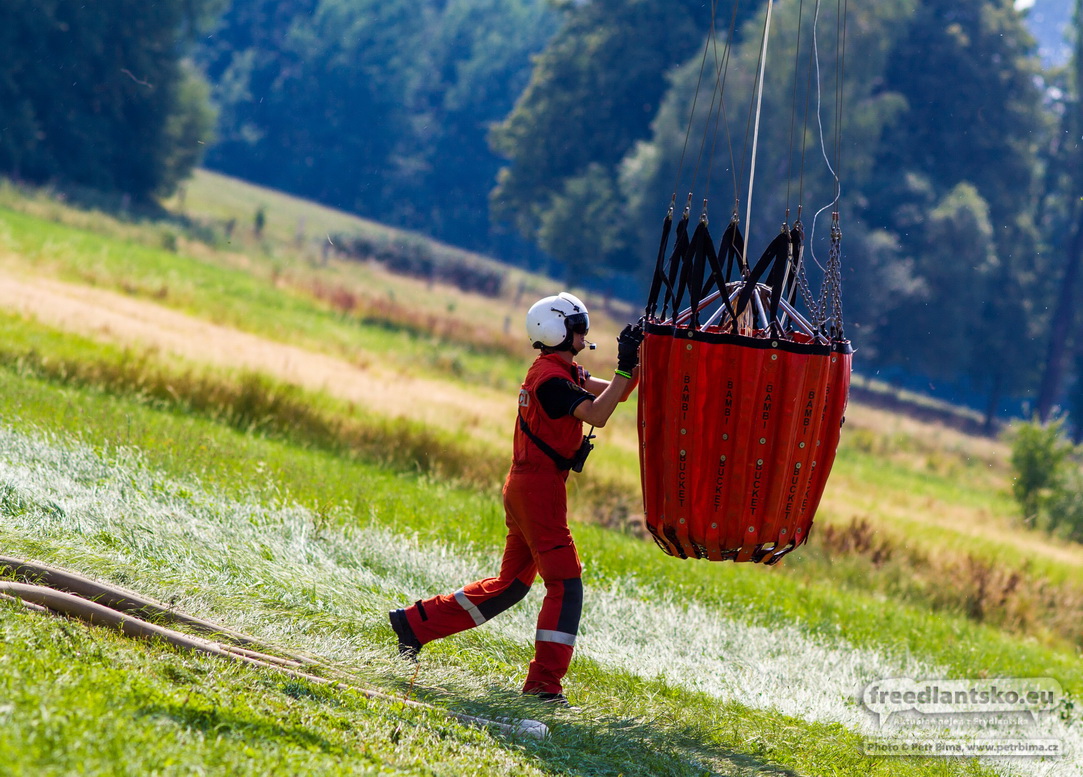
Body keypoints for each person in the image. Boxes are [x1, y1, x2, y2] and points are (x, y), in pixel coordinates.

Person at [388, 291, 643, 706]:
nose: (585, 333)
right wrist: (623, 367)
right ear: (558, 330)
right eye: (579, 327)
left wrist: (638, 360)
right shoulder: (551, 381)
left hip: (532, 486)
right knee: (566, 584)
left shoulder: (560, 370)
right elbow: (598, 413)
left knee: (510, 587)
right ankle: (544, 686)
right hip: (537, 490)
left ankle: (414, 625)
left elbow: (619, 393)